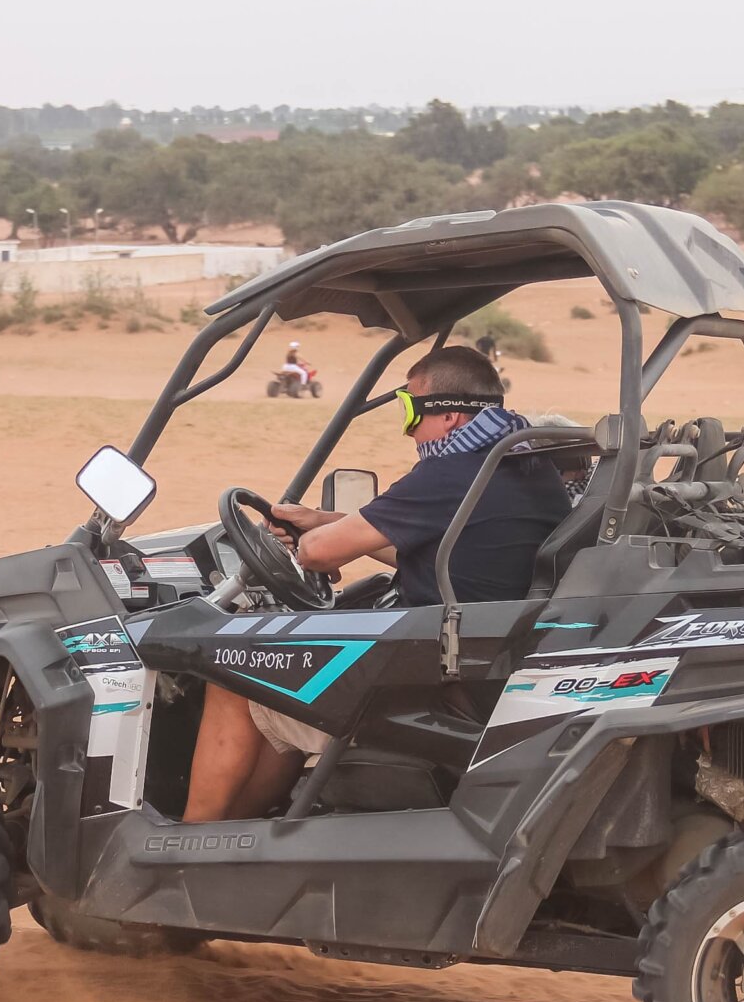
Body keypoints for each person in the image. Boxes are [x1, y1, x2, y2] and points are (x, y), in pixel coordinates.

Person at [182, 344, 573, 822]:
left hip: (432, 678)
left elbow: (318, 553)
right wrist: (323, 519)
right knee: (272, 694)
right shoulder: (523, 463)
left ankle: (190, 835)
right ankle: (239, 833)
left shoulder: (452, 472)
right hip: (485, 658)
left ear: (448, 415)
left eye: (409, 410)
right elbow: (426, 545)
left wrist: (314, 537)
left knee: (236, 678)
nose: (408, 429)